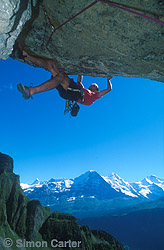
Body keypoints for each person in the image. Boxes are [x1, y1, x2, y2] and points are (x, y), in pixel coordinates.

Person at [17, 51, 113, 105]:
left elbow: (109, 89)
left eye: (93, 85)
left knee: (61, 77)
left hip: (74, 94)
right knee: (51, 64)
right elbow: (79, 81)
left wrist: (108, 80)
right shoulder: (84, 89)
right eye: (92, 84)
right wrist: (81, 72)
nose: (92, 84)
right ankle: (26, 55)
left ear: (96, 89)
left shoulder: (95, 95)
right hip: (71, 92)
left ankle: (31, 91)